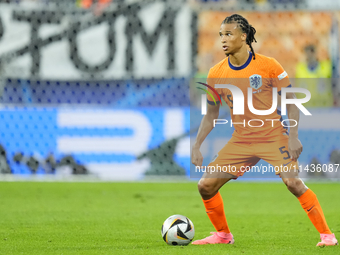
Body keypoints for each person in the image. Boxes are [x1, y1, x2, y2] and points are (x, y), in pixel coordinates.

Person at [191, 14, 338, 247]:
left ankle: (327, 236)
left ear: (244, 36)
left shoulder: (269, 65)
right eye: (221, 35)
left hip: (273, 136)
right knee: (205, 186)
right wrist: (197, 145)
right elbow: (210, 115)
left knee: (293, 183)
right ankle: (222, 235)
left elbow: (291, 103)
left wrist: (293, 136)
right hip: (241, 140)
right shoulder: (215, 73)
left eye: (228, 34)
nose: (223, 39)